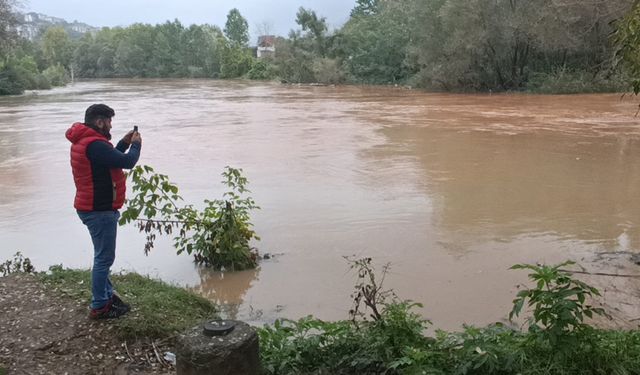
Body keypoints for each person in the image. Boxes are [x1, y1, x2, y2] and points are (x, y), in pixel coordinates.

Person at [65, 104, 142, 319]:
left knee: (102, 256)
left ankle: (106, 297)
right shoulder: (95, 145)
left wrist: (123, 143)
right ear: (100, 122)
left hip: (91, 207)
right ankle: (100, 306)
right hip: (99, 210)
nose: (110, 126)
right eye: (109, 122)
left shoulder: (87, 142)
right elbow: (127, 162)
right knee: (104, 259)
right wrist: (136, 146)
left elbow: (110, 158)